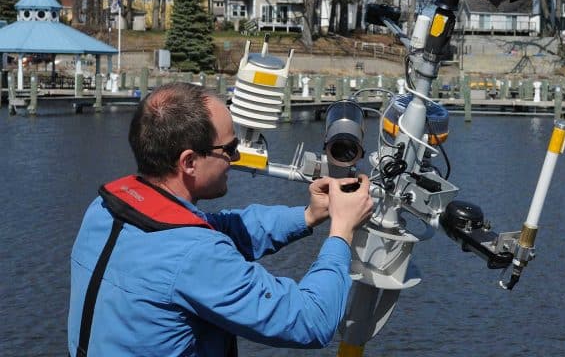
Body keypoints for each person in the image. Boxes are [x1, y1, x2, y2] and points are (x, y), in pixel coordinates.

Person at [68, 82, 373, 356]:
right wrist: (341, 232)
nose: (237, 158)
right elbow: (311, 320)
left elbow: (220, 230)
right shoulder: (193, 256)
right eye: (229, 149)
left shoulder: (105, 208)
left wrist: (309, 215)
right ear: (189, 162)